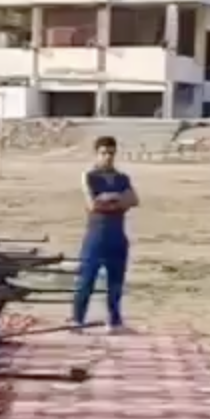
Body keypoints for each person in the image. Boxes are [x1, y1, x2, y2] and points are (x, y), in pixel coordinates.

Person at [72, 135, 139, 331]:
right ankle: (77, 320)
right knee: (86, 281)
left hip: (117, 236)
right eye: (103, 153)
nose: (108, 157)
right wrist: (118, 201)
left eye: (111, 153)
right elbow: (93, 204)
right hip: (96, 236)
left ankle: (114, 321)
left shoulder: (122, 178)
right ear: (96, 154)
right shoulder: (90, 176)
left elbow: (134, 200)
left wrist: (108, 199)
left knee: (116, 283)